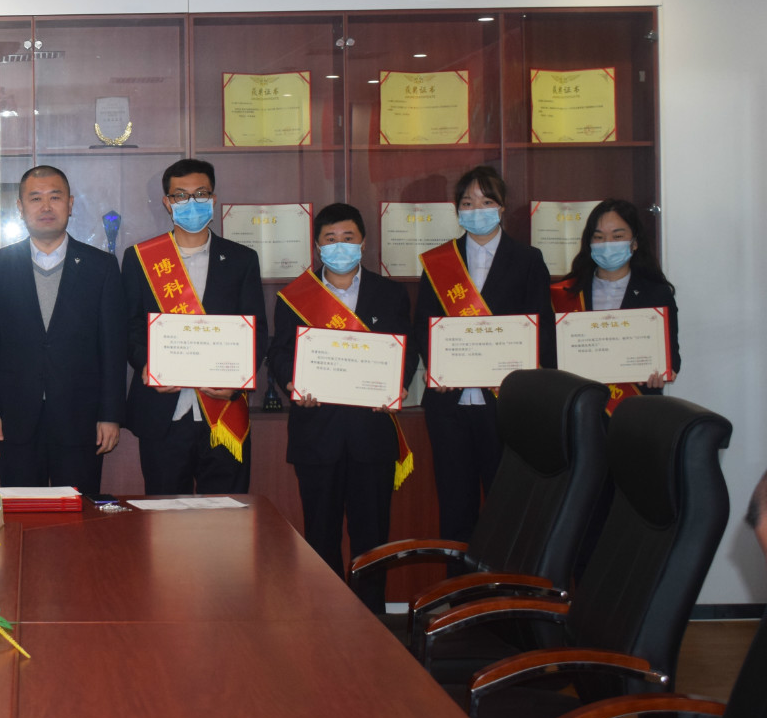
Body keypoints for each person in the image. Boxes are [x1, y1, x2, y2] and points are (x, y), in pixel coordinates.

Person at [269, 203, 415, 612]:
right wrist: (292, 383)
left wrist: (396, 385)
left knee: (373, 538)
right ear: (317, 246)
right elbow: (280, 352)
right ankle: (325, 619)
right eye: (330, 239)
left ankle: (372, 621)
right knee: (321, 535)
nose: (339, 246)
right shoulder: (295, 296)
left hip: (372, 433)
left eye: (348, 238)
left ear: (363, 243)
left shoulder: (389, 293)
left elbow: (407, 349)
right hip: (317, 434)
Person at [412, 165, 554, 545]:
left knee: (506, 510)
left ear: (502, 206)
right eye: (467, 202)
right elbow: (423, 325)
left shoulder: (528, 260)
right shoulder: (439, 262)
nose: (477, 210)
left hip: (506, 408)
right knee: (454, 511)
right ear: (457, 210)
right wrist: (437, 367)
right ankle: (459, 583)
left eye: (486, 201)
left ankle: (499, 584)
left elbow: (542, 330)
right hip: (449, 409)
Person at [0, 165, 126, 496]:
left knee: (80, 514)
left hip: (82, 418)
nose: (45, 206)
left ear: (70, 204)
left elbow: (113, 349)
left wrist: (110, 414)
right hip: (13, 419)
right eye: (35, 198)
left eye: (55, 197)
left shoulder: (101, 266)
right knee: (22, 514)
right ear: (20, 207)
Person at [121, 158, 268, 494]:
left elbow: (256, 330)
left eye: (200, 194)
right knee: (164, 517)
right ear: (167, 202)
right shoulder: (140, 258)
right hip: (162, 413)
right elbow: (129, 326)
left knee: (226, 514)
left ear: (213, 199)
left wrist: (237, 381)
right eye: (181, 195)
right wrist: (146, 364)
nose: (191, 202)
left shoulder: (241, 259)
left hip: (223, 411)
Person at [552, 198, 680, 403]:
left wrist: (662, 372)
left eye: (617, 236)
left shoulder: (656, 294)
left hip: (635, 406)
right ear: (589, 243)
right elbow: (550, 355)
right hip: (578, 404)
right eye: (599, 237)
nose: (607, 244)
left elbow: (672, 358)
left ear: (635, 242)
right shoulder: (565, 293)